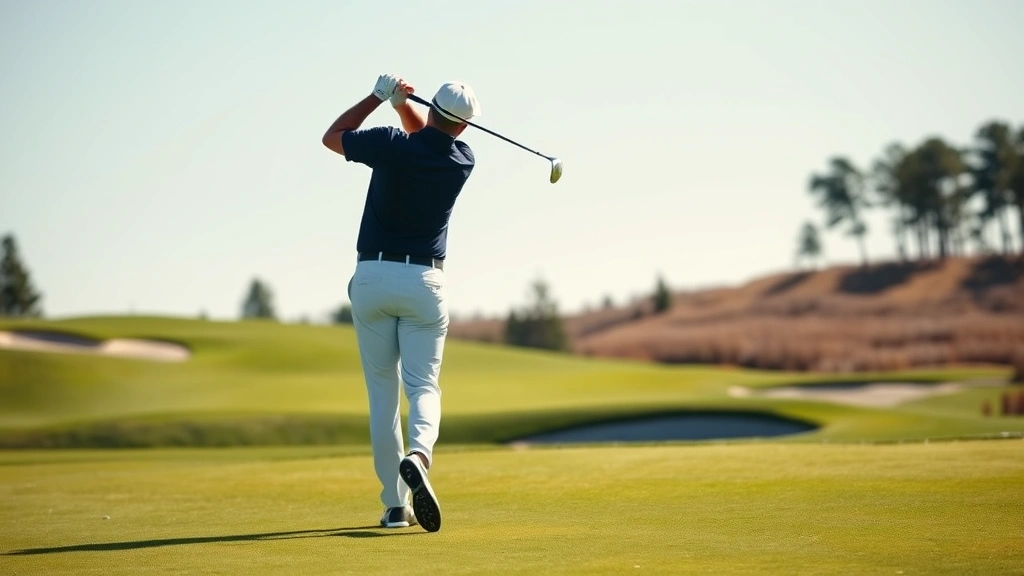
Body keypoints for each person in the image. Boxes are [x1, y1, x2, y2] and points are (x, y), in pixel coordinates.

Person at [321, 73, 481, 533]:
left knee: (381, 395)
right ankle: (420, 456)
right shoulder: (461, 160)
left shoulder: (392, 144)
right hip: (424, 281)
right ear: (465, 127)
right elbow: (430, 137)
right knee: (423, 386)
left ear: (431, 109)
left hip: (371, 275)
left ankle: (394, 506)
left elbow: (333, 138)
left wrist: (379, 98)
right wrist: (399, 106)